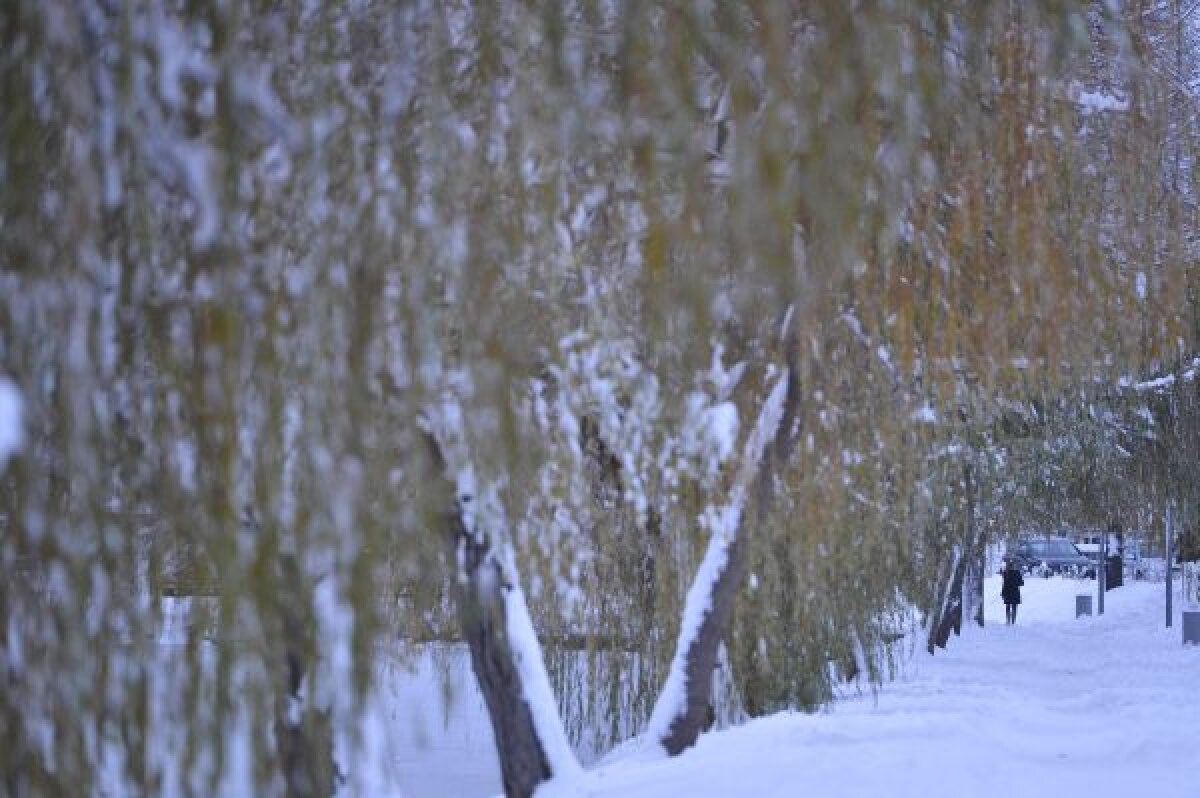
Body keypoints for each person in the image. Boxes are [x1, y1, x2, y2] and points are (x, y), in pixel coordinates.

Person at [1001, 558, 1024, 625]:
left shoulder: (1005, 573)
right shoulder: (1017, 573)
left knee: (1008, 606)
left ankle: (1008, 620)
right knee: (1014, 607)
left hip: (1007, 592)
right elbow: (1022, 583)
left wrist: (1002, 593)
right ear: (1013, 566)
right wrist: (1016, 583)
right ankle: (1013, 621)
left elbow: (1004, 584)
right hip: (1015, 592)